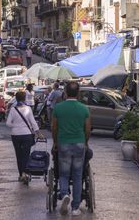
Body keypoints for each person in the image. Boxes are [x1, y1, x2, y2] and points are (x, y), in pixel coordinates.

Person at [52, 82, 91, 216]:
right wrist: (85, 142)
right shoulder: (84, 109)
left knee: (63, 174)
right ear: (78, 93)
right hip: (79, 143)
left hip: (63, 143)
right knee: (78, 176)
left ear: (65, 93)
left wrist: (56, 142)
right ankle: (75, 208)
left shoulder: (58, 108)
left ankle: (64, 195)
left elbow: (54, 128)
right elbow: (87, 128)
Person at [6, 91, 42, 184]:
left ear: (16, 99)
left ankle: (20, 174)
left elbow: (8, 123)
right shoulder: (28, 108)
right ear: (24, 98)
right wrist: (38, 133)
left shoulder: (13, 109)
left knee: (19, 155)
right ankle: (25, 173)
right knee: (26, 155)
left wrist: (16, 126)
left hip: (15, 135)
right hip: (27, 134)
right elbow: (33, 122)